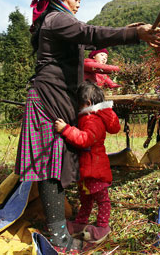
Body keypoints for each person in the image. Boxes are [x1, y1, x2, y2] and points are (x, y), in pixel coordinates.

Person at [14, 0, 160, 252]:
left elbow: (86, 37)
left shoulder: (59, 20)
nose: (79, 4)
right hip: (48, 98)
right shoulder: (56, 19)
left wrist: (130, 31)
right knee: (49, 164)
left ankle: (59, 228)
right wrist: (135, 35)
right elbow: (90, 33)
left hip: (58, 95)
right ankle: (58, 237)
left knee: (56, 162)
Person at [54, 81, 118, 244]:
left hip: (94, 168)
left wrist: (66, 130)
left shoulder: (92, 120)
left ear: (87, 103)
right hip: (88, 167)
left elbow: (86, 139)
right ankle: (81, 223)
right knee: (86, 199)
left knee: (102, 199)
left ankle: (103, 226)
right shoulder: (89, 117)